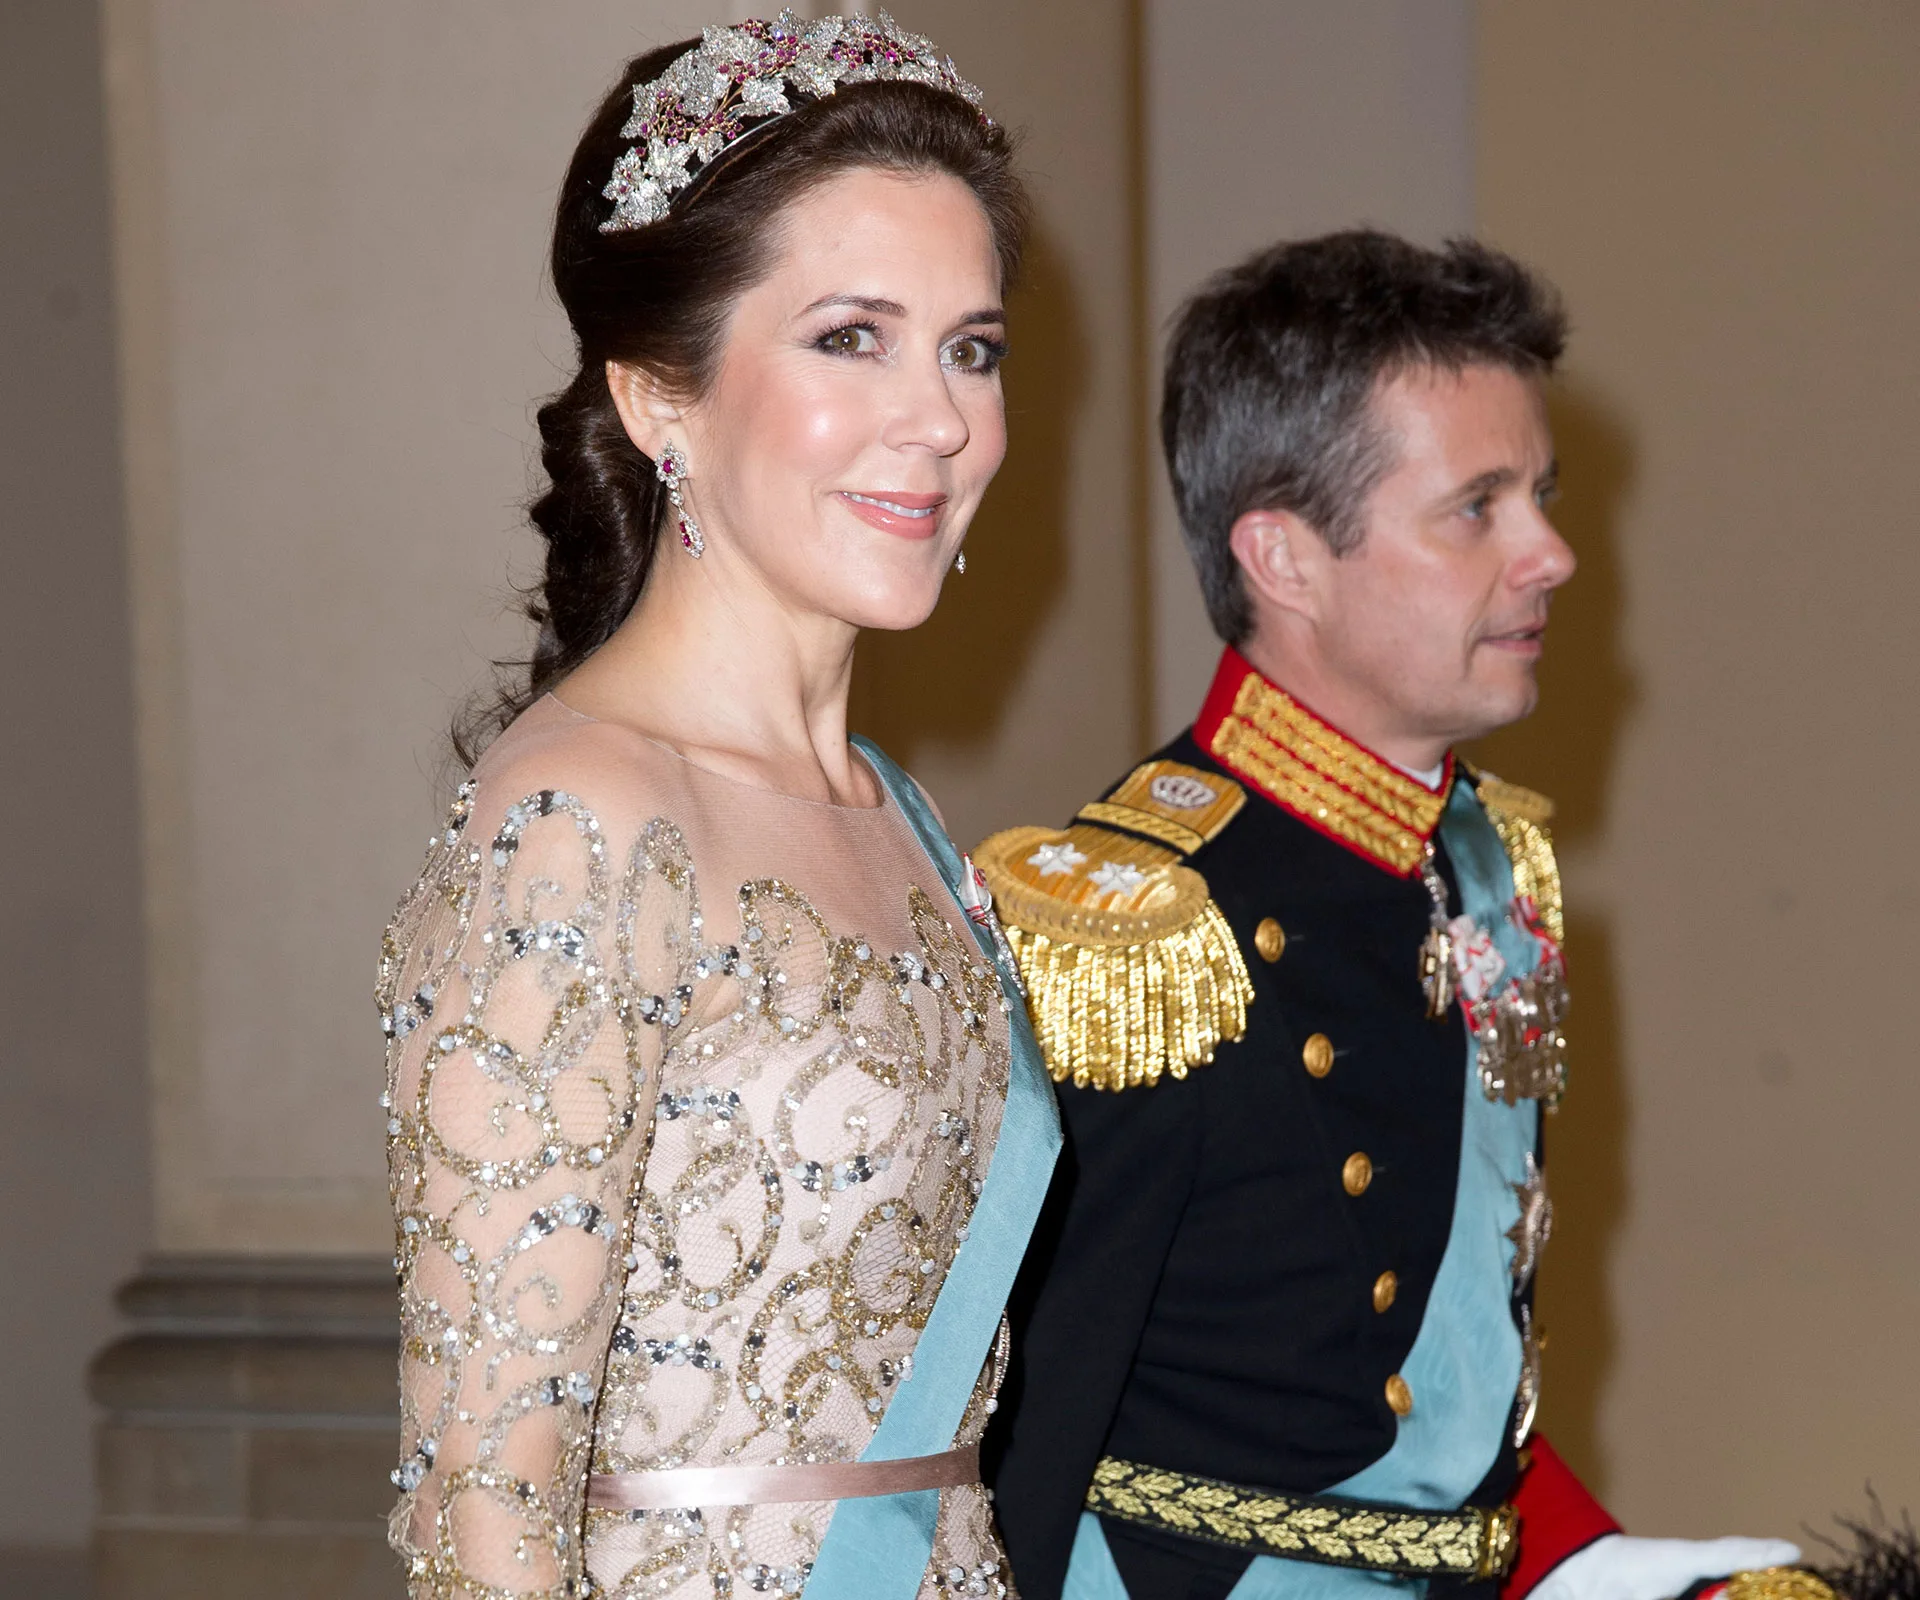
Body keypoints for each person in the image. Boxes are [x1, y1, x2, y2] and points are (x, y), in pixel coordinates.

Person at [978, 232, 1813, 1600]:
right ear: (1285, 559)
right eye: (1476, 506)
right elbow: (1025, 1431)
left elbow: (1451, 1378)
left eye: (1541, 492)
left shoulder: (1488, 862)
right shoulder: (1137, 933)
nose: (1552, 553)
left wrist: (1579, 1567)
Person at [374, 17, 1061, 1599]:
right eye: (850, 338)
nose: (943, 419)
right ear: (659, 396)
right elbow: (484, 1503)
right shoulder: (585, 819)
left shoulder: (899, 815)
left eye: (973, 346)